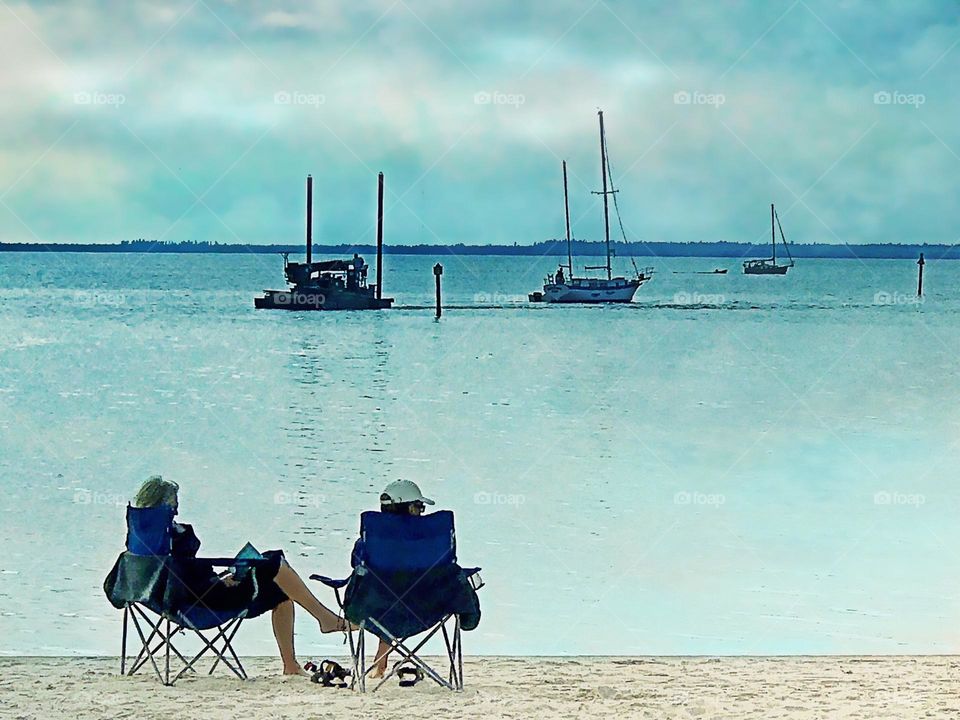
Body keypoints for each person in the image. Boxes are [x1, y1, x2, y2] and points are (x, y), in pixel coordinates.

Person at [131, 475, 348, 677]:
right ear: (162, 505)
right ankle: (326, 619)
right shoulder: (170, 538)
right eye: (173, 504)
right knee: (273, 562)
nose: (176, 510)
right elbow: (184, 575)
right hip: (201, 605)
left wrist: (218, 580)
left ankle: (291, 666)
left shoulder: (141, 541)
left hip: (183, 601)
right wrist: (219, 582)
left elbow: (182, 576)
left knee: (281, 594)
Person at [363, 479, 435, 679]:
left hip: (375, 608)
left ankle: (381, 660)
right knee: (399, 595)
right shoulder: (429, 541)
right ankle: (381, 659)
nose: (422, 512)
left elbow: (357, 565)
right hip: (423, 609)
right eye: (420, 507)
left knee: (388, 594)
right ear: (411, 508)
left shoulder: (370, 540)